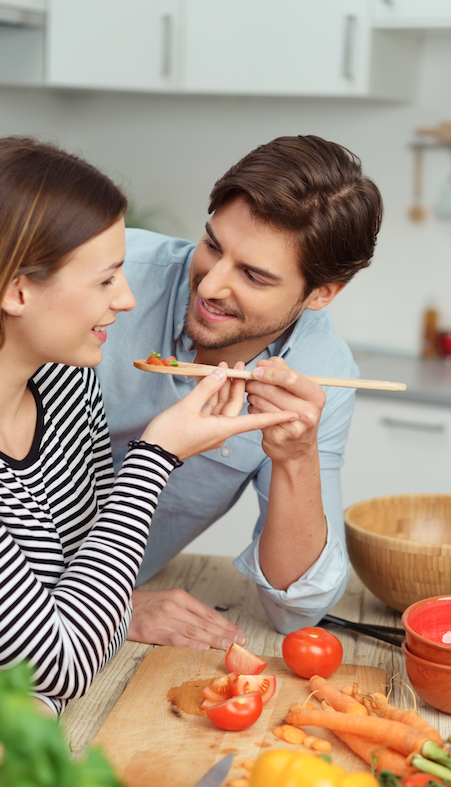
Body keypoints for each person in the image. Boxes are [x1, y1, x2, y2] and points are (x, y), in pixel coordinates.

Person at [0, 136, 296, 716]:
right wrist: (156, 456)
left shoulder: (65, 385)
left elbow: (78, 583)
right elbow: (65, 661)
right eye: (105, 280)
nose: (127, 299)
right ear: (17, 289)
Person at [97, 135, 383, 647]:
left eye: (253, 275)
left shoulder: (321, 373)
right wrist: (114, 609)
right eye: (212, 245)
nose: (208, 286)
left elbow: (297, 610)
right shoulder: (109, 277)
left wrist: (296, 458)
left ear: (321, 293)